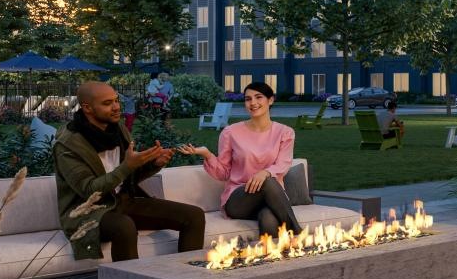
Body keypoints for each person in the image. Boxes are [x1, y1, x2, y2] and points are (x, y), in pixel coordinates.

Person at [54, 80, 202, 262]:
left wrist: (154, 164)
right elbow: (89, 189)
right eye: (107, 103)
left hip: (123, 202)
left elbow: (128, 178)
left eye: (116, 100)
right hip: (90, 212)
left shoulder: (118, 130)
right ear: (87, 108)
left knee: (194, 216)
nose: (116, 107)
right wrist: (128, 166)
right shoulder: (68, 145)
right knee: (124, 226)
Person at [181, 81, 304, 240]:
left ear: (271, 100)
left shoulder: (285, 132)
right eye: (248, 99)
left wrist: (264, 172)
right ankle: (298, 233)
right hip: (239, 200)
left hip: (272, 199)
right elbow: (224, 172)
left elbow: (283, 164)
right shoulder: (230, 132)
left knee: (268, 219)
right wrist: (207, 155)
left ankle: (273, 262)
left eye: (258, 97)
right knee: (267, 180)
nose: (253, 103)